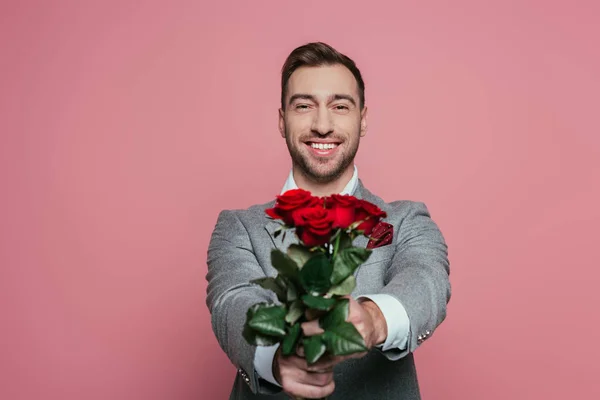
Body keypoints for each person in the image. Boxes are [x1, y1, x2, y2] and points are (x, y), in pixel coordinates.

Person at [206, 42, 451, 399]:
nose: (322, 125)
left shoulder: (406, 220)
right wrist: (276, 356)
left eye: (340, 106)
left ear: (362, 119)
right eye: (304, 106)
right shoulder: (238, 227)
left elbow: (426, 280)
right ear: (281, 119)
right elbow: (233, 303)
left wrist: (372, 319)